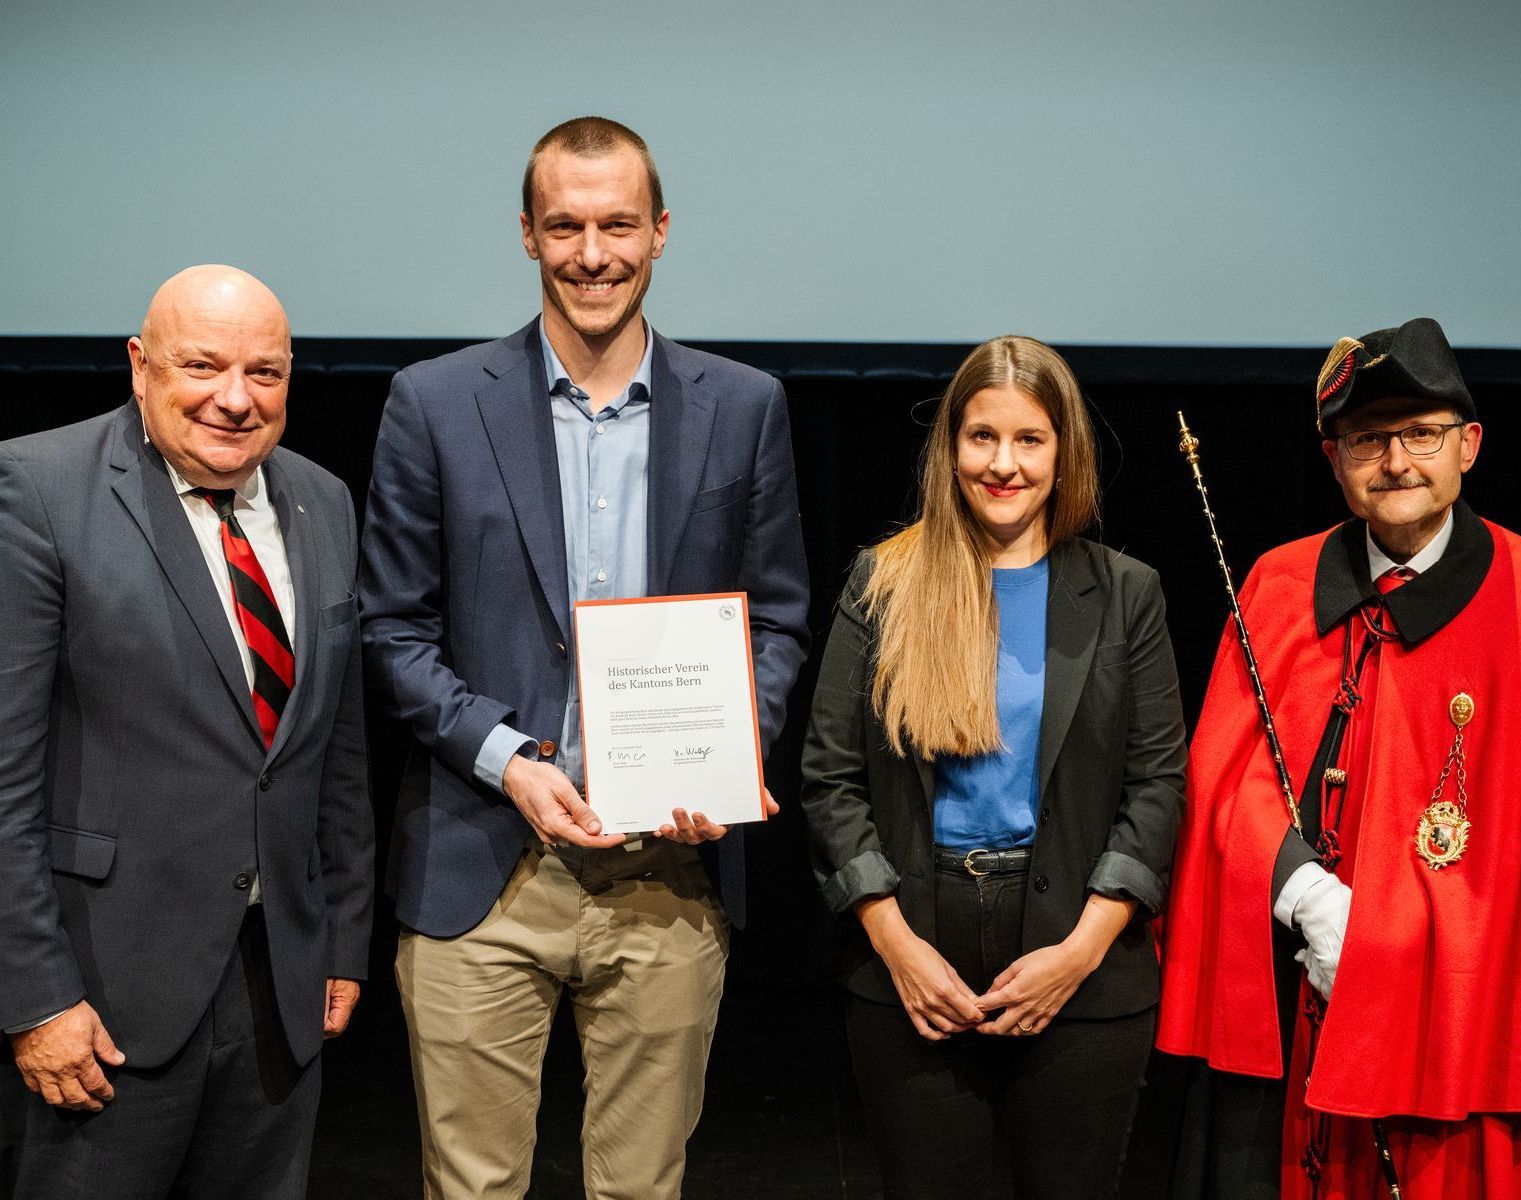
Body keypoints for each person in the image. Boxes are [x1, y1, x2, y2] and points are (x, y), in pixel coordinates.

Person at [358, 116, 810, 1200]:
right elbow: (390, 628)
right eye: (566, 225)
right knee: (470, 1188)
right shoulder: (433, 402)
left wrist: (722, 758)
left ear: (660, 232)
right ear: (527, 234)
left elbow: (779, 622)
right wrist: (509, 759)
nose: (592, 252)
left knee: (641, 1190)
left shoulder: (744, 408)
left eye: (617, 224)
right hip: (481, 867)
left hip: (667, 871)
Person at [1157, 317, 1521, 1199]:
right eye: (1367, 439)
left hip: (1470, 1013)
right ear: (1334, 458)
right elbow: (1224, 778)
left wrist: (1416, 936)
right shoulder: (1281, 586)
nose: (1396, 461)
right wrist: (1308, 898)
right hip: (1300, 1000)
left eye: (1421, 434)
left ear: (1469, 445)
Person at [0, 265, 375, 1199]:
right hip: (105, 992)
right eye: (202, 366)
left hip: (278, 985)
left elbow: (336, 749)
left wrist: (340, 938)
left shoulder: (321, 499)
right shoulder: (38, 488)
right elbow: (4, 777)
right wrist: (36, 995)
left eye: (267, 372)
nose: (235, 400)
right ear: (140, 364)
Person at [801, 336, 1187, 1199]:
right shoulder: (884, 582)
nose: (1003, 464)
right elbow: (830, 778)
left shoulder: (1128, 592)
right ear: (951, 447)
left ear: (1064, 451)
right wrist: (896, 946)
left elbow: (1158, 784)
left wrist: (1082, 950)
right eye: (982, 438)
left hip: (1078, 951)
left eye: (1029, 439)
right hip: (915, 953)